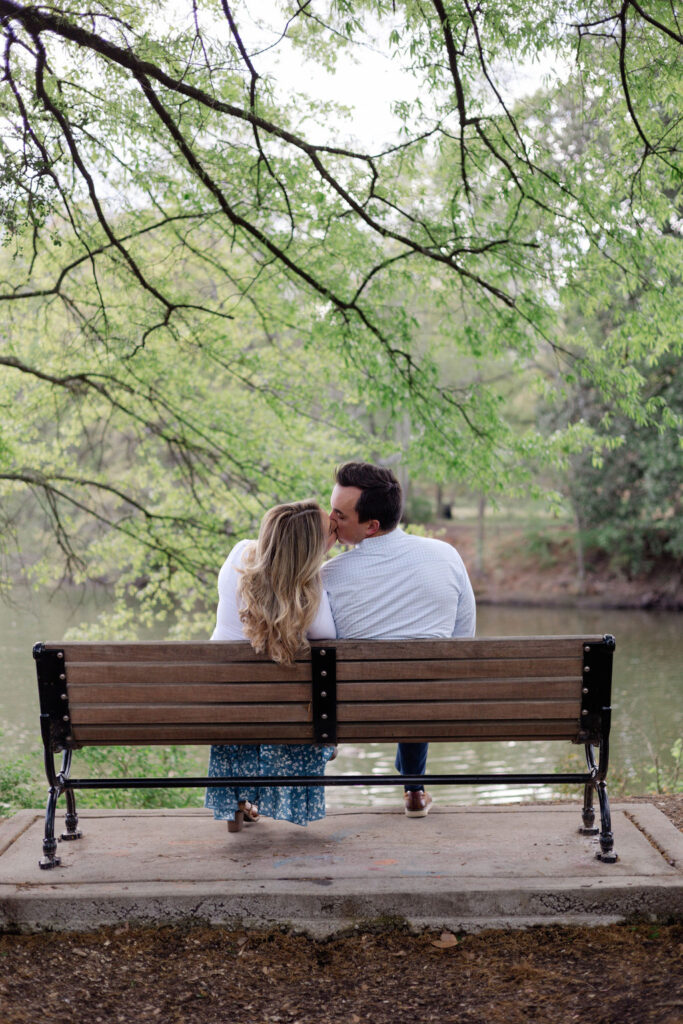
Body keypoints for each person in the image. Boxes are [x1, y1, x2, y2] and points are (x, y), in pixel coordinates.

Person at [321, 462, 476, 818]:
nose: (329, 519)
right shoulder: (445, 555)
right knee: (418, 679)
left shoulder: (328, 574)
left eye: (339, 515)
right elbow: (464, 639)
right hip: (426, 704)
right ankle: (415, 789)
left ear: (371, 526)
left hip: (345, 711)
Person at [205, 500, 336, 831]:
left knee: (247, 705)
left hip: (224, 708)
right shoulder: (311, 588)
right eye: (329, 532)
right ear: (310, 548)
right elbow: (327, 637)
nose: (334, 534)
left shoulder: (238, 556)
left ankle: (240, 800)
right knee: (306, 700)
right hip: (285, 720)